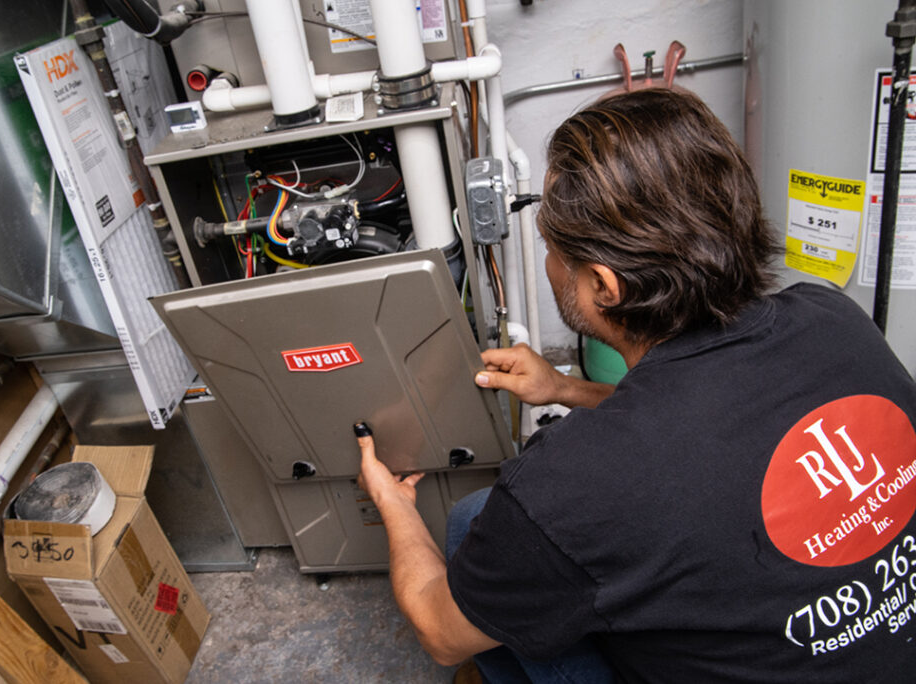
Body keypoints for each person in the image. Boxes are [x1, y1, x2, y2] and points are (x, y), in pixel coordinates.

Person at [355, 87, 916, 683]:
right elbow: (709, 432)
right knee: (484, 521)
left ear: (602, 285)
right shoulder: (833, 319)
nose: (548, 262)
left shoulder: (574, 484)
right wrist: (566, 390)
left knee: (488, 544)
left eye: (551, 248)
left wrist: (395, 506)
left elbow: (439, 633)